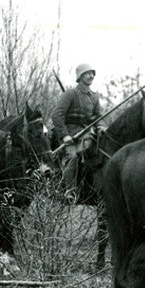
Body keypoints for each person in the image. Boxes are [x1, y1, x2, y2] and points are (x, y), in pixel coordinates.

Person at [51, 63, 101, 195]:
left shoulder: (95, 97)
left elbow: (97, 117)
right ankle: (70, 191)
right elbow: (56, 115)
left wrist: (100, 125)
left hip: (86, 133)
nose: (91, 76)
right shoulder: (70, 94)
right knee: (73, 156)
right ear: (80, 76)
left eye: (92, 73)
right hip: (69, 134)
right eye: (88, 73)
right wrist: (64, 135)